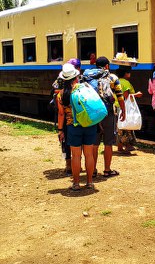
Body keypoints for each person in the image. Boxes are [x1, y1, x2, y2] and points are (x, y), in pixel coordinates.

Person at [84, 56, 126, 177]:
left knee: (94, 143)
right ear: (107, 66)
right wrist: (123, 110)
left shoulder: (87, 77)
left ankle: (92, 170)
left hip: (92, 113)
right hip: (108, 113)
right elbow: (120, 96)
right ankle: (107, 170)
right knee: (108, 142)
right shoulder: (112, 77)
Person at [57, 63, 97, 191]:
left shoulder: (61, 94)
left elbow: (61, 114)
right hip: (89, 124)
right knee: (89, 154)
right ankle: (90, 182)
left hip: (73, 127)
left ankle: (76, 184)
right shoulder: (86, 88)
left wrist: (60, 130)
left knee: (76, 156)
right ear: (76, 77)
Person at [52, 58, 81, 176]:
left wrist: (60, 130)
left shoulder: (59, 86)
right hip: (80, 119)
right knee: (80, 145)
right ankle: (78, 166)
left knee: (67, 143)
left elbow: (60, 113)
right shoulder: (80, 85)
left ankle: (69, 165)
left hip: (66, 121)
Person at [115, 66, 142, 154]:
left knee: (120, 126)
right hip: (123, 106)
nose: (130, 74)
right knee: (127, 126)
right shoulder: (125, 82)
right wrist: (137, 94)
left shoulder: (117, 81)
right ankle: (127, 146)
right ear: (126, 74)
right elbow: (126, 96)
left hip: (116, 105)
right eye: (128, 72)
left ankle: (119, 147)